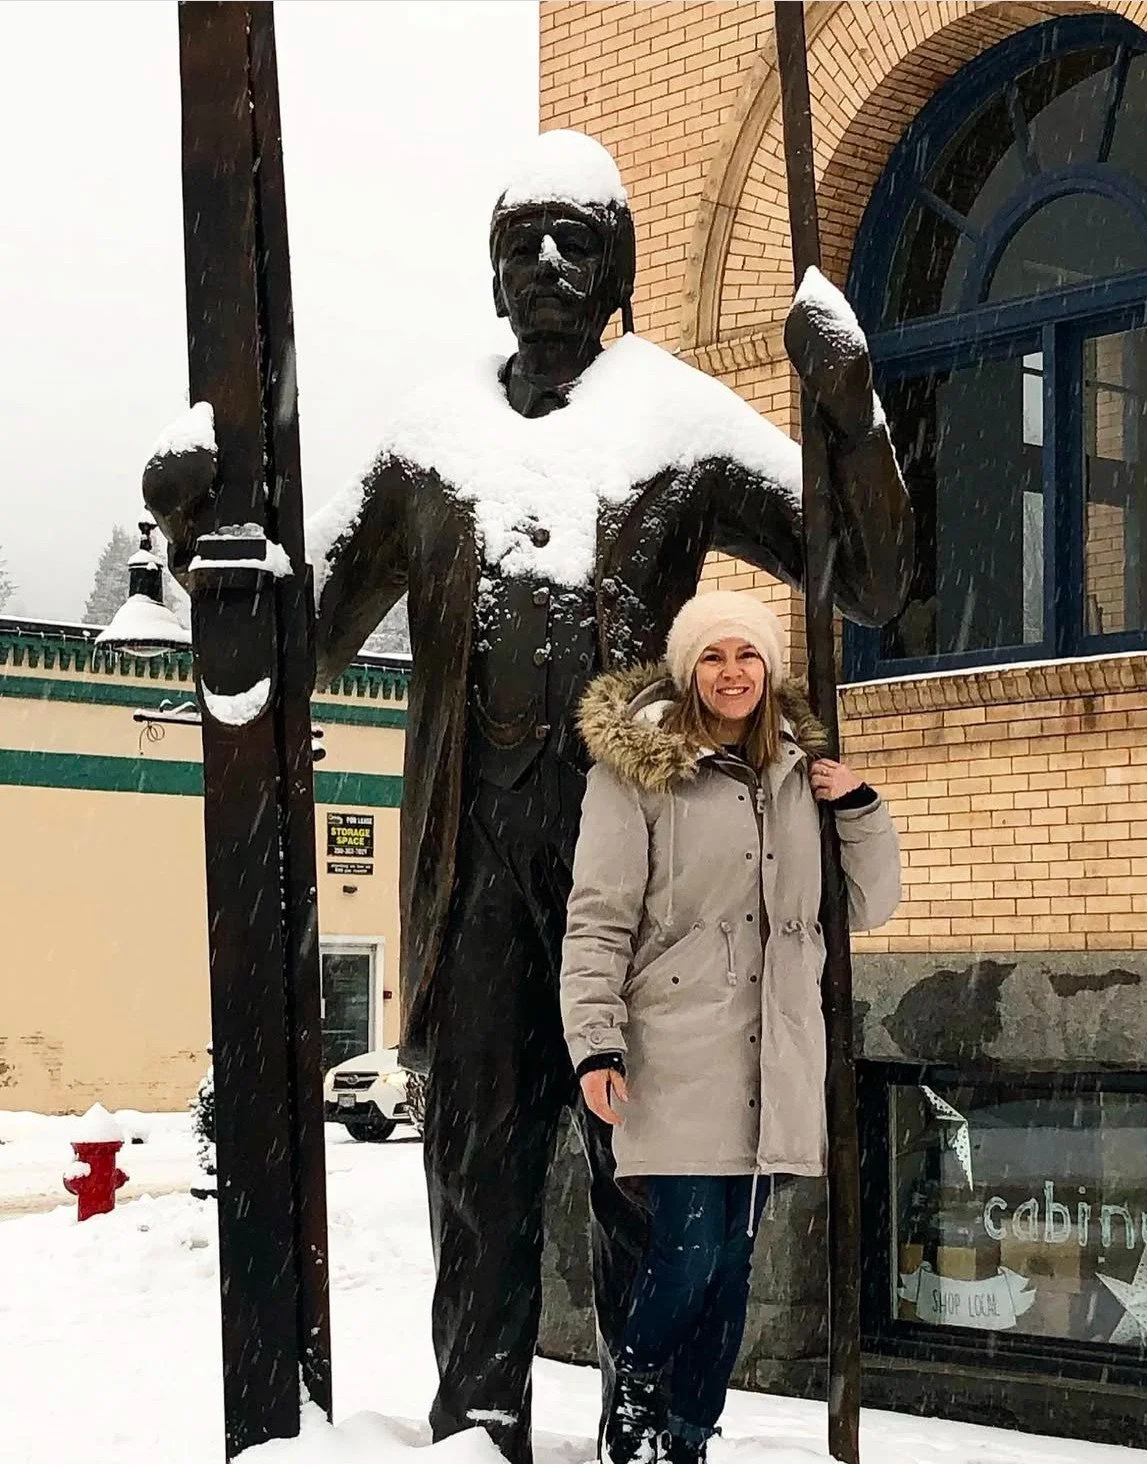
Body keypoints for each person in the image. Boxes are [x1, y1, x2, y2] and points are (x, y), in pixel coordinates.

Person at [144, 129, 911, 1464]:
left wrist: (845, 415)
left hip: (641, 886)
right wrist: (192, 544)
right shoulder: (429, 444)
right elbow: (296, 649)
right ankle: (477, 1421)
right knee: (480, 1173)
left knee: (644, 1180)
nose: (549, 263)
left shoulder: (677, 421)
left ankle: (645, 1423)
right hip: (474, 864)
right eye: (523, 242)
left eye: (576, 240)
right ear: (492, 272)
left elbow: (867, 577)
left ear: (616, 267)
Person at [561, 590, 902, 1464]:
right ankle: (634, 1400)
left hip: (777, 1054)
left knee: (733, 1267)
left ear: (769, 670)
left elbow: (869, 906)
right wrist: (595, 1042)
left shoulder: (801, 775)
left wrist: (858, 807)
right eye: (712, 657)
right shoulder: (636, 774)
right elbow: (598, 918)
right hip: (676, 1050)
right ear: (687, 671)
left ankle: (689, 1431)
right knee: (686, 1253)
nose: (731, 673)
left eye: (747, 656)